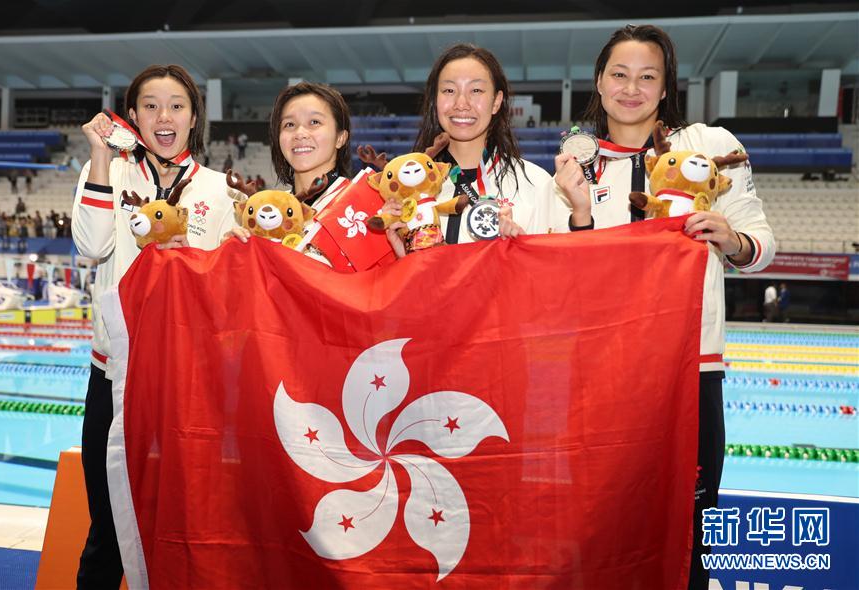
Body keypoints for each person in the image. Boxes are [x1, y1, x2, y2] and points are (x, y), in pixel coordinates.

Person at [554, 25, 775, 589]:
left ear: (666, 85)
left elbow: (761, 244)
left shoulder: (708, 147)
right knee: (600, 524)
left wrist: (731, 239)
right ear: (599, 82)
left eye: (647, 76)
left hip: (691, 369)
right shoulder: (574, 168)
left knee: (690, 528)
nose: (632, 89)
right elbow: (566, 279)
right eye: (620, 75)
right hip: (602, 374)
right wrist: (578, 212)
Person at [71, 64, 237, 590]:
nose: (164, 116)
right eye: (150, 106)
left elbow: (230, 291)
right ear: (133, 115)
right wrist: (100, 155)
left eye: (176, 106)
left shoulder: (218, 189)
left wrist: (194, 263)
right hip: (113, 377)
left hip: (186, 384)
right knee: (107, 530)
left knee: (182, 526)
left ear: (193, 117)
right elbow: (92, 245)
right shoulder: (110, 172)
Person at [381, 43, 560, 255]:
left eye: (476, 90)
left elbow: (551, 269)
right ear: (435, 100)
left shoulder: (535, 184)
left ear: (496, 102)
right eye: (449, 90)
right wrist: (402, 258)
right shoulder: (407, 187)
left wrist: (519, 252)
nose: (461, 103)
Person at [227, 82, 353, 252]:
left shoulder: (360, 205)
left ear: (340, 138)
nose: (299, 133)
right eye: (289, 124)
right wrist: (237, 253)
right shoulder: (265, 213)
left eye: (314, 122)